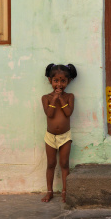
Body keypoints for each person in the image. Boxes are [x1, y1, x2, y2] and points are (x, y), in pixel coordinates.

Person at [41, 63, 77, 203]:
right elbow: (49, 114)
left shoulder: (69, 96)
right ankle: (49, 192)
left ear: (68, 81)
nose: (59, 84)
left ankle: (65, 192)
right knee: (50, 164)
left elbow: (68, 113)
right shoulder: (46, 97)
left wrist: (61, 98)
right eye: (56, 80)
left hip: (65, 137)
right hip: (50, 137)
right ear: (50, 80)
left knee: (64, 164)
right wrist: (54, 99)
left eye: (63, 81)